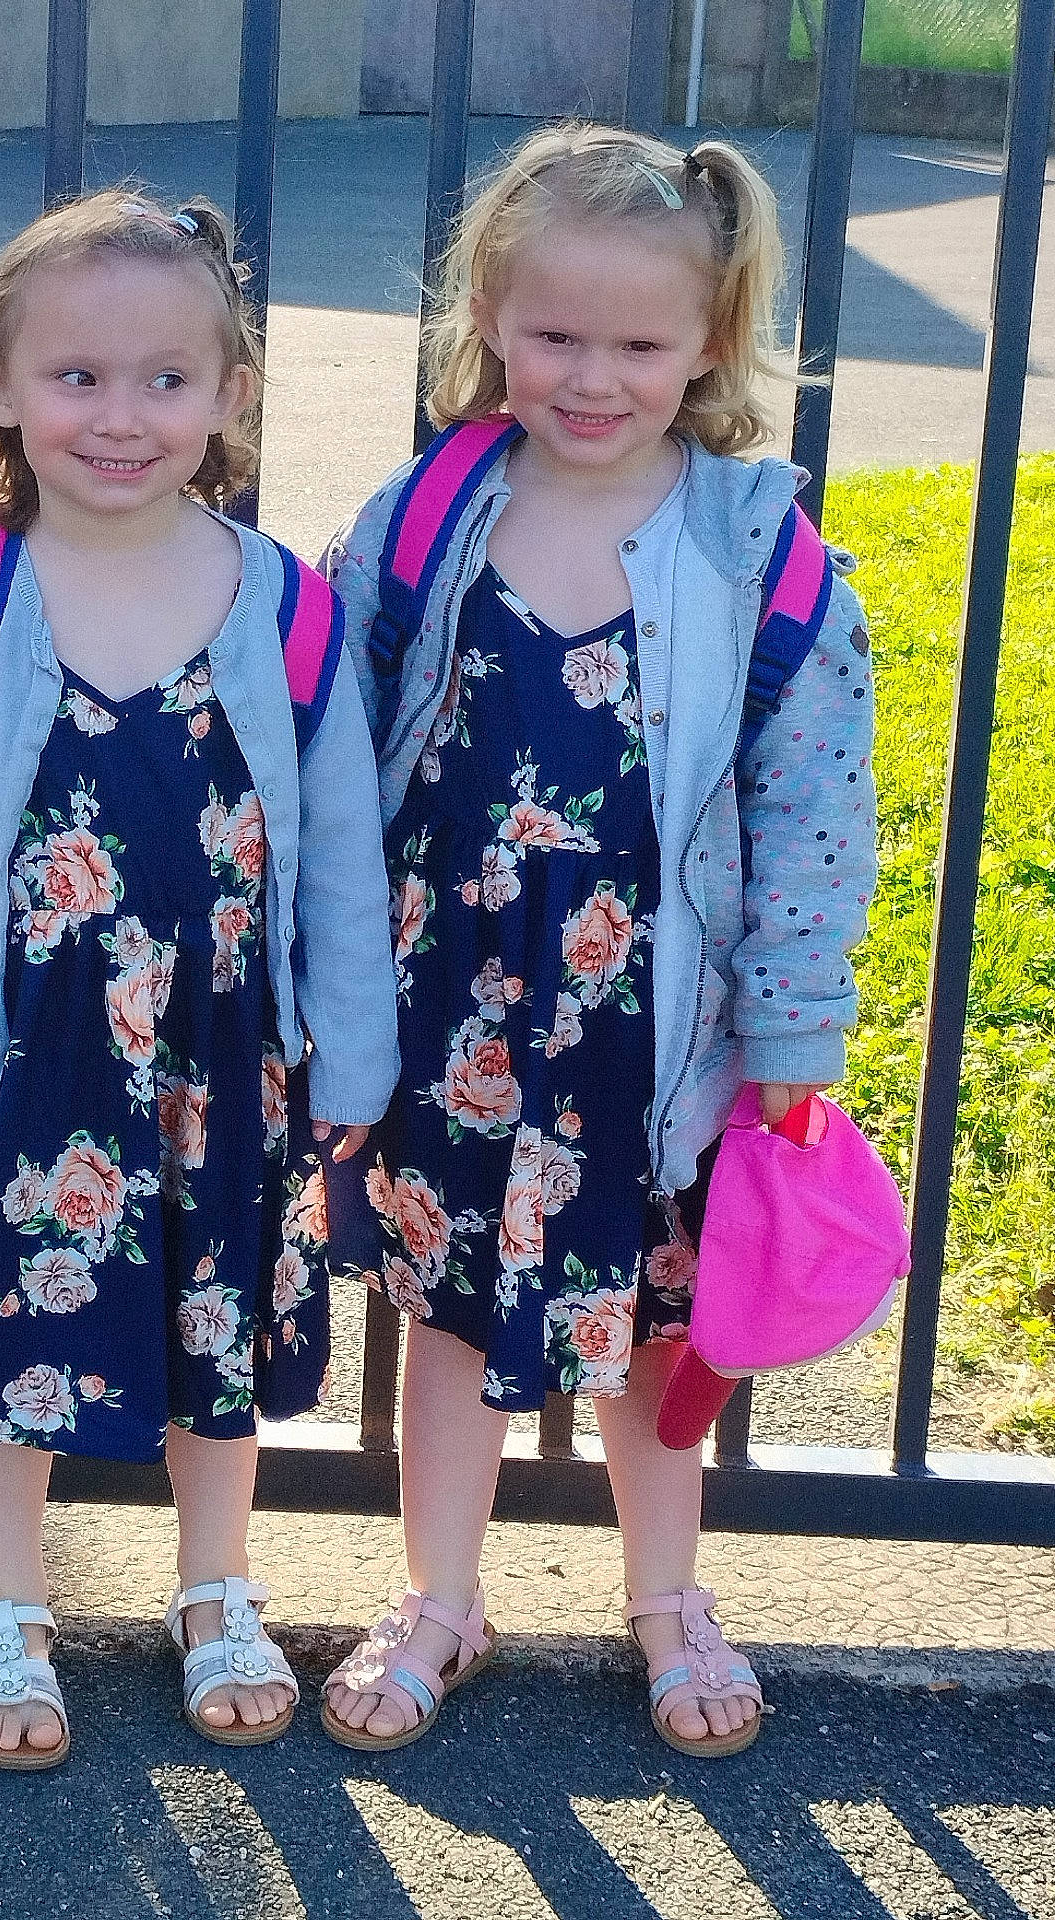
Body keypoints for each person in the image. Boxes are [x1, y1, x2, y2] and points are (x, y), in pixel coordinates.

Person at [0, 189, 398, 1768]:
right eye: (79, 378)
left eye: (169, 379)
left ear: (232, 396)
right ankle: (3, 1602)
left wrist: (362, 1065)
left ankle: (216, 1582)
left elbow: (339, 854)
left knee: (213, 1319)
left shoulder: (287, 604)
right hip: (13, 1046)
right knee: (2, 1327)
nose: (123, 417)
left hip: (222, 1055)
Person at [318, 122, 876, 1756]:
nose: (592, 375)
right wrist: (326, 985)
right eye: (555, 333)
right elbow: (341, 766)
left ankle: (664, 1596)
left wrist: (791, 1035)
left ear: (711, 342)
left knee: (659, 1339)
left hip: (666, 1027)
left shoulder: (761, 550)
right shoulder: (423, 516)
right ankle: (442, 1599)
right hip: (455, 1012)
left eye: (640, 343)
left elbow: (813, 814)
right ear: (489, 311)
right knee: (444, 1314)